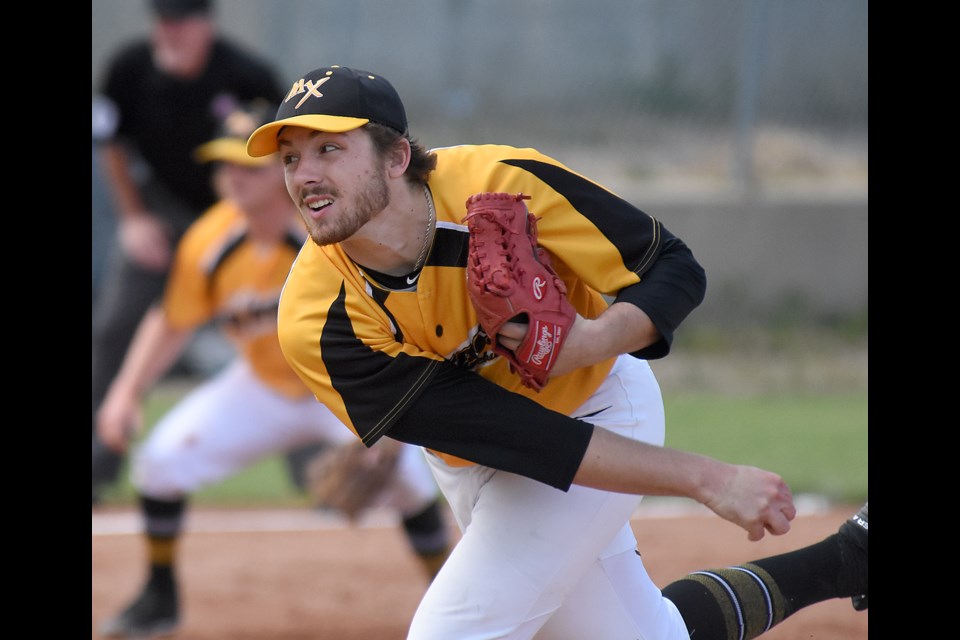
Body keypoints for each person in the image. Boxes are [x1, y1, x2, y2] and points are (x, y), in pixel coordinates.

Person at [243, 65, 868, 640]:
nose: (304, 176)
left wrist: (593, 341)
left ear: (396, 157)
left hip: (597, 405)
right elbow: (508, 433)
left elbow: (671, 267)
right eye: (291, 158)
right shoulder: (314, 320)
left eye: (330, 148)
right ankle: (846, 561)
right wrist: (706, 479)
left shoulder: (500, 185)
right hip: (482, 456)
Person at [95, 99, 453, 639]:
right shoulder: (210, 240)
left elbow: (400, 323)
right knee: (162, 461)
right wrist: (126, 391)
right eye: (224, 164)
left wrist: (394, 429)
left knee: (406, 482)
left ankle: (451, 596)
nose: (231, 177)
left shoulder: (333, 233)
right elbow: (171, 320)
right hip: (260, 386)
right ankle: (158, 598)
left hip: (342, 388)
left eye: (246, 166)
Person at [91, 0, 331, 503]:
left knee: (300, 327)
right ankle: (100, 462)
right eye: (162, 19)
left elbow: (286, 145)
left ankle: (320, 469)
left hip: (264, 215)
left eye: (180, 19)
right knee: (117, 327)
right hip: (166, 216)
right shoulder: (130, 68)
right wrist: (133, 217)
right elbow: (109, 141)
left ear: (206, 23)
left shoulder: (247, 74)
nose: (169, 29)